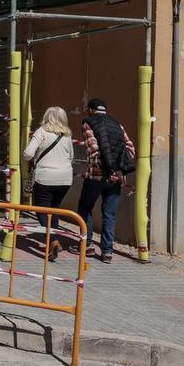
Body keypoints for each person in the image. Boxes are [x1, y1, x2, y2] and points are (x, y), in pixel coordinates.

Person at [69, 98, 135, 264]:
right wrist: (117, 169)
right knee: (109, 214)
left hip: (97, 176)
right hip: (116, 178)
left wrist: (107, 169)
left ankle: (87, 245)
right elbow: (130, 148)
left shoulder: (88, 123)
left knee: (85, 207)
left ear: (90, 110)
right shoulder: (117, 124)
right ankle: (107, 252)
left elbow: (93, 151)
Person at [23, 106, 75, 262]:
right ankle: (54, 238)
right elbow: (71, 156)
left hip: (45, 178)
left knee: (41, 211)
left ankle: (52, 239)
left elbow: (27, 153)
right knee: (54, 209)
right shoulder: (67, 134)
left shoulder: (41, 132)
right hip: (65, 178)